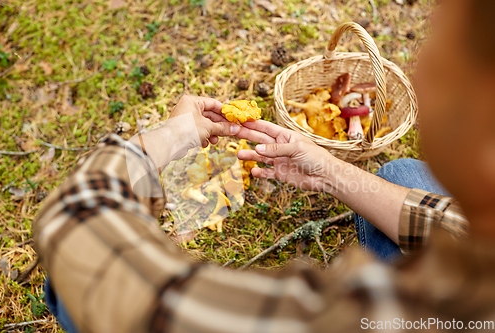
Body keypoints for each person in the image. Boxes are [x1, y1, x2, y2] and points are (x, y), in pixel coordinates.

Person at [34, 0, 495, 332]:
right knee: (400, 176)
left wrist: (172, 136)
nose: (422, 64)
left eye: (438, 42)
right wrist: (327, 170)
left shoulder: (353, 316)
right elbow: (453, 224)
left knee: (70, 277)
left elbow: (73, 218)